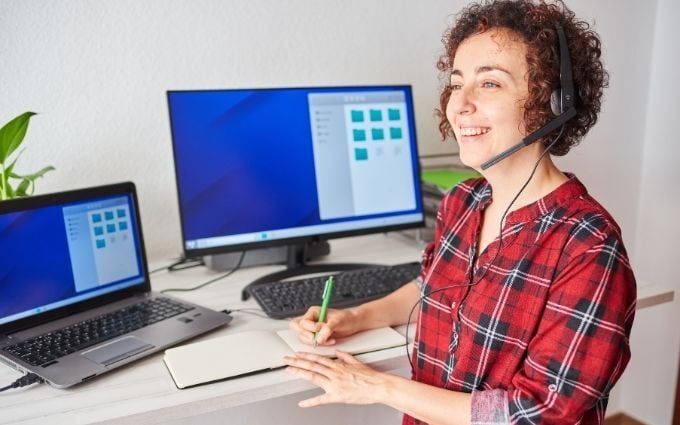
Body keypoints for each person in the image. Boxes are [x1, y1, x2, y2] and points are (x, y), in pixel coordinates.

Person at [282, 0, 637, 423]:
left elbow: (536, 414)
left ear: (551, 103)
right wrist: (356, 316)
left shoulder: (589, 249)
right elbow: (432, 285)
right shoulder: (463, 203)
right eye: (456, 83)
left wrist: (375, 386)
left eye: (489, 84)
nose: (460, 104)